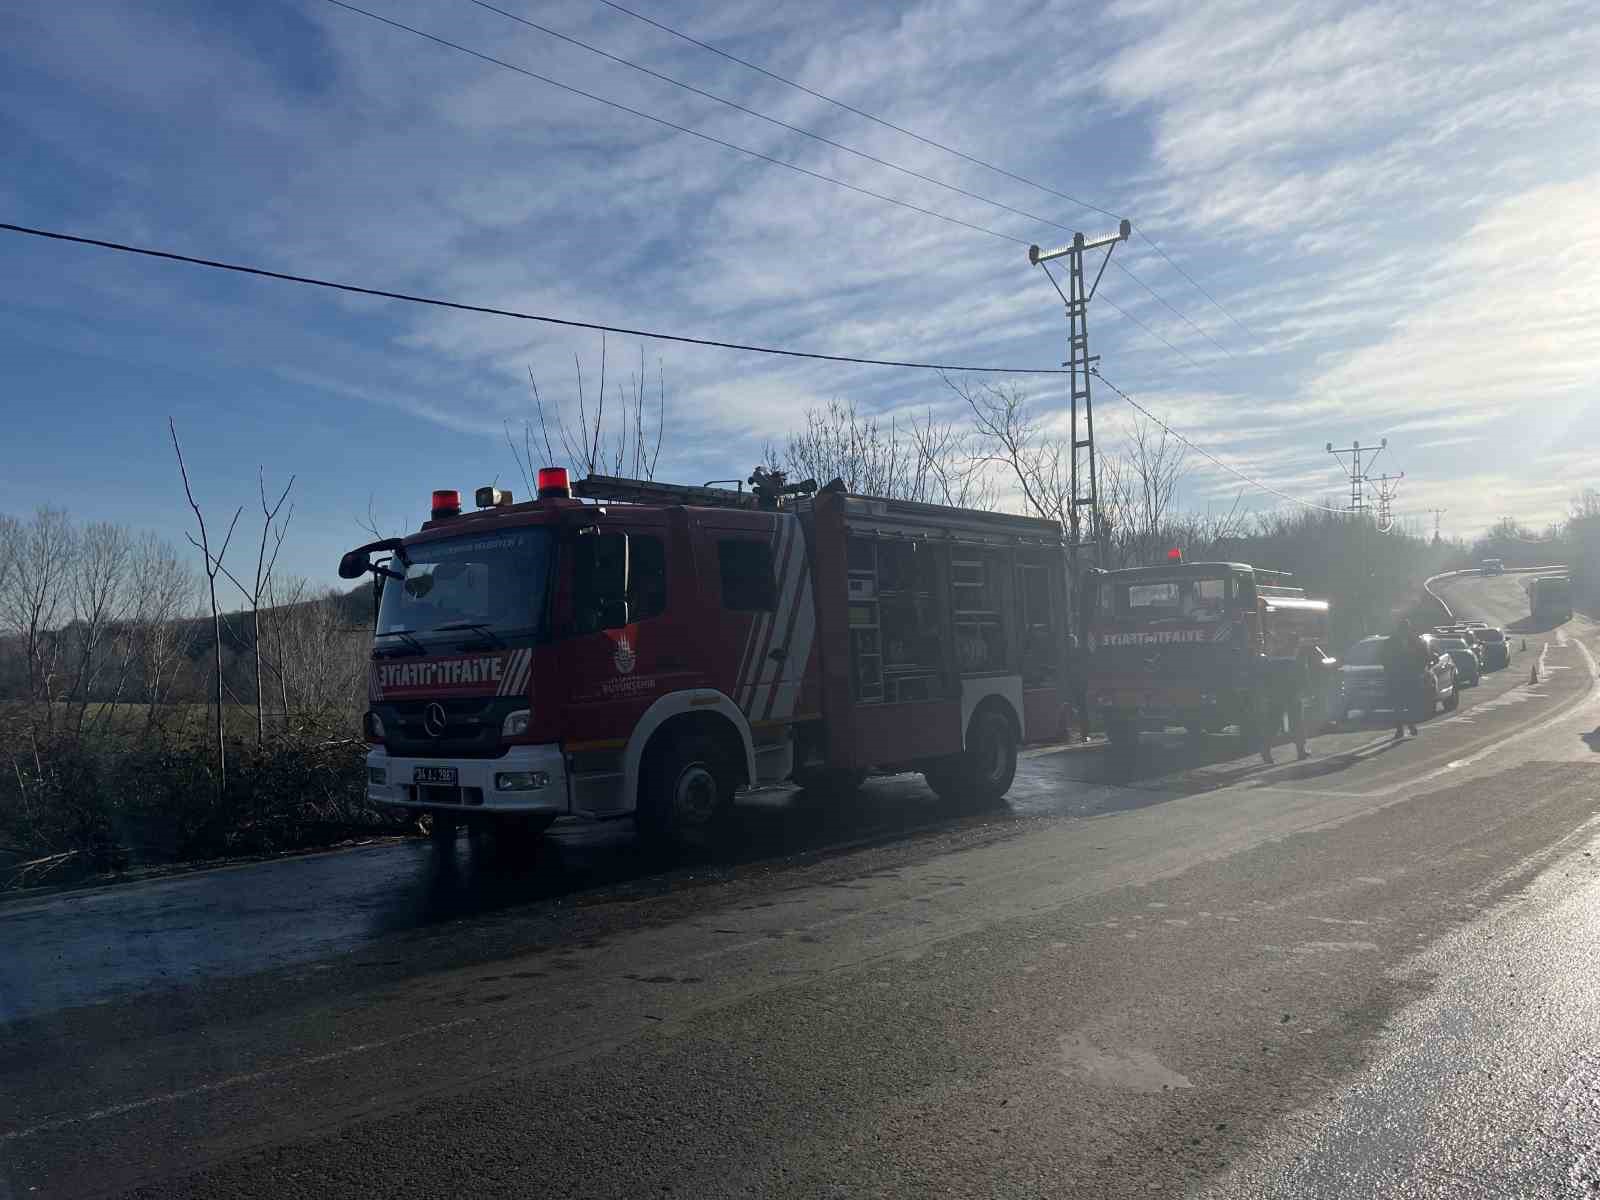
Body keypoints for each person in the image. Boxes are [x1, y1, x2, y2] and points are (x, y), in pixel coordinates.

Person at [1381, 619, 1427, 739]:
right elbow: (1383, 657)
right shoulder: (1390, 642)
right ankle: (1399, 729)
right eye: (1402, 628)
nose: (1404, 631)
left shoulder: (1415, 641)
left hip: (1411, 676)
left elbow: (1424, 655)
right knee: (1397, 705)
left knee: (1411, 703)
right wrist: (1389, 670)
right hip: (1395, 677)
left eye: (1406, 628)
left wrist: (1419, 669)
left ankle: (1411, 724)